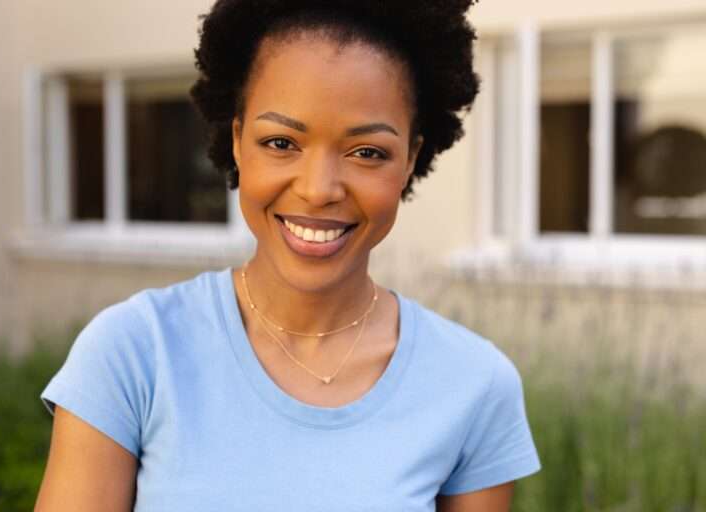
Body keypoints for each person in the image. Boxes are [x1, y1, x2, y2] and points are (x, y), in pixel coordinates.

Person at [34, 1, 542, 511]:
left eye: (367, 152)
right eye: (281, 142)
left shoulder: (473, 383)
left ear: (410, 158)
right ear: (237, 141)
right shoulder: (135, 354)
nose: (318, 190)